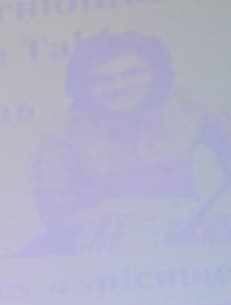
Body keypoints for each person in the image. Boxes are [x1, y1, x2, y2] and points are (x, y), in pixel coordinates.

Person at [30, 30, 231, 253]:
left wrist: (217, 215)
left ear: (155, 72)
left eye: (132, 74)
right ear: (85, 85)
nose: (120, 86)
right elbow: (57, 209)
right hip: (101, 245)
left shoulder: (189, 105)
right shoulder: (62, 131)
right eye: (104, 79)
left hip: (184, 234)